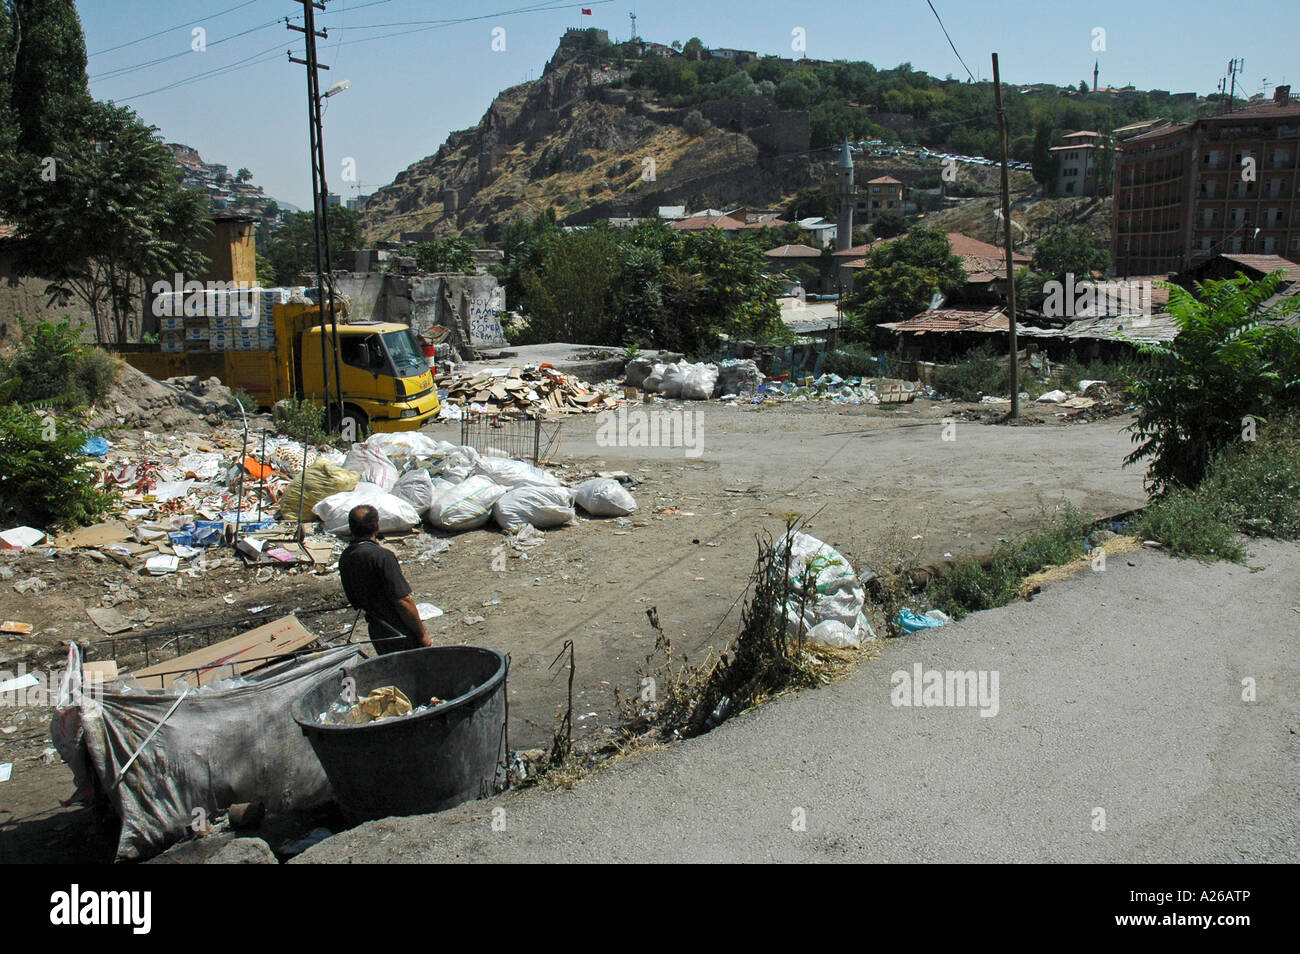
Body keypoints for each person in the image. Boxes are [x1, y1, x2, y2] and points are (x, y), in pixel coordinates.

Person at [338, 504, 431, 654]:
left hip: (377, 630)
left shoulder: (346, 557)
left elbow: (354, 599)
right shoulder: (382, 557)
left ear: (351, 527)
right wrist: (422, 634)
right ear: (377, 525)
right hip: (398, 630)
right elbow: (403, 601)